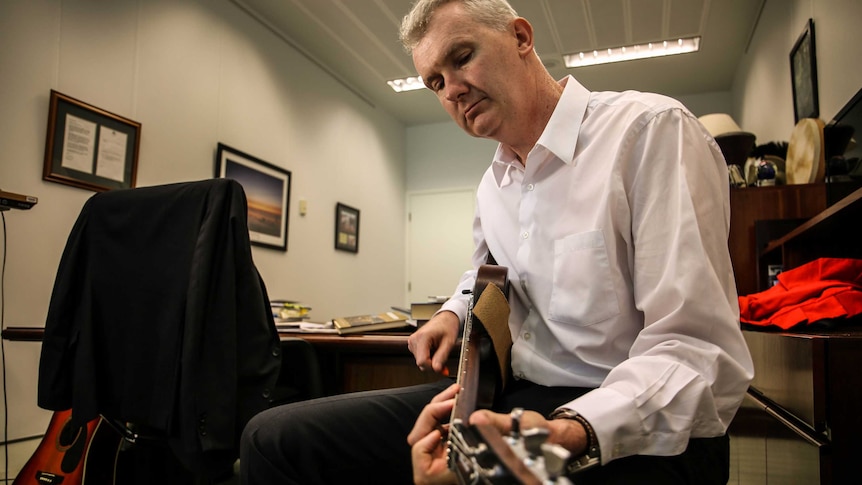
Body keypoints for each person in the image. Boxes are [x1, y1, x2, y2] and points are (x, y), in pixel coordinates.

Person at [240, 0, 755, 483]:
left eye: (462, 58)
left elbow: (695, 351)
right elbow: (485, 275)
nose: (452, 91)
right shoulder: (495, 184)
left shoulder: (649, 133)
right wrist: (451, 313)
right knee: (274, 438)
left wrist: (557, 439)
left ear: (521, 38)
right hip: (514, 398)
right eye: (435, 82)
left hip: (627, 419)